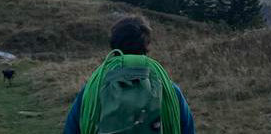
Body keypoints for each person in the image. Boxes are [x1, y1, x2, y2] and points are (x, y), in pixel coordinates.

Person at [64, 15, 195, 134]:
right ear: (146, 46)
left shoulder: (93, 89)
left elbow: (71, 130)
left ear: (114, 45)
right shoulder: (170, 91)